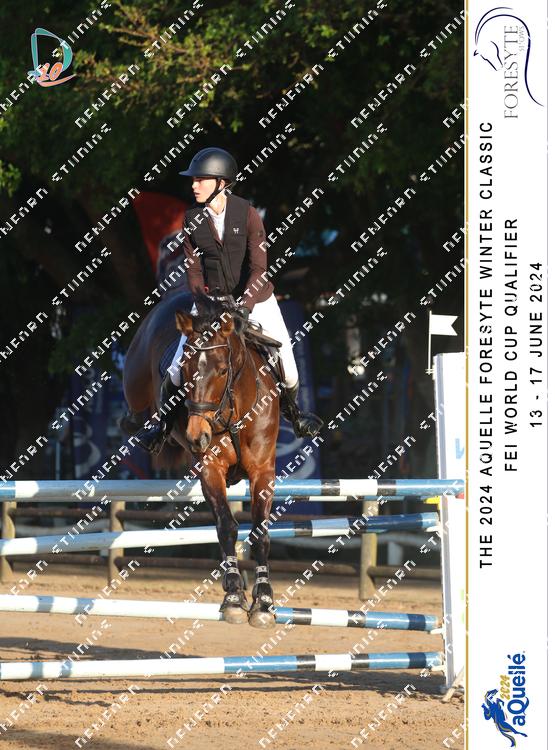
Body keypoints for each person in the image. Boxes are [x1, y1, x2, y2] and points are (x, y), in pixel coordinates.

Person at [135, 147, 323, 453]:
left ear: (221, 183)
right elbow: (194, 270)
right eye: (194, 180)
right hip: (212, 301)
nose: (194, 185)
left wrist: (244, 307)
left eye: (200, 179)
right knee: (176, 368)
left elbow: (259, 268)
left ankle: (295, 414)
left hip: (257, 299)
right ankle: (162, 426)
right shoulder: (192, 219)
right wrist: (204, 302)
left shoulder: (248, 215)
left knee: (288, 367)